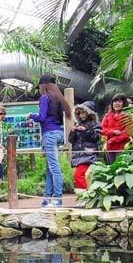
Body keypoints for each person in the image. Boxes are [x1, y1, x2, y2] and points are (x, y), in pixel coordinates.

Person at [29, 74, 72, 207]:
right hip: (59, 133)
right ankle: (47, 197)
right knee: (49, 167)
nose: (40, 89)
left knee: (54, 167)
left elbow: (41, 117)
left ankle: (57, 199)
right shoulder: (59, 98)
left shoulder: (45, 98)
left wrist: (30, 115)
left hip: (50, 134)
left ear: (44, 86)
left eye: (40, 86)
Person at [68, 102, 101, 191]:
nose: (81, 115)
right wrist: (73, 132)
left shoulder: (95, 124)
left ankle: (85, 195)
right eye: (79, 113)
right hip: (79, 155)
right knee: (83, 176)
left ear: (89, 112)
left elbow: (97, 138)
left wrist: (85, 131)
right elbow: (71, 140)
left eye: (83, 112)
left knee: (79, 175)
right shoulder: (77, 124)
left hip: (89, 154)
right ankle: (86, 195)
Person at [100, 93, 133, 164]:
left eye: (119, 101)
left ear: (124, 103)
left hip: (124, 146)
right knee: (111, 167)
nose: (117, 103)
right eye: (115, 101)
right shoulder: (107, 116)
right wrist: (113, 132)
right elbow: (102, 129)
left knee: (121, 167)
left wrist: (114, 139)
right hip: (109, 146)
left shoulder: (128, 116)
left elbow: (128, 132)